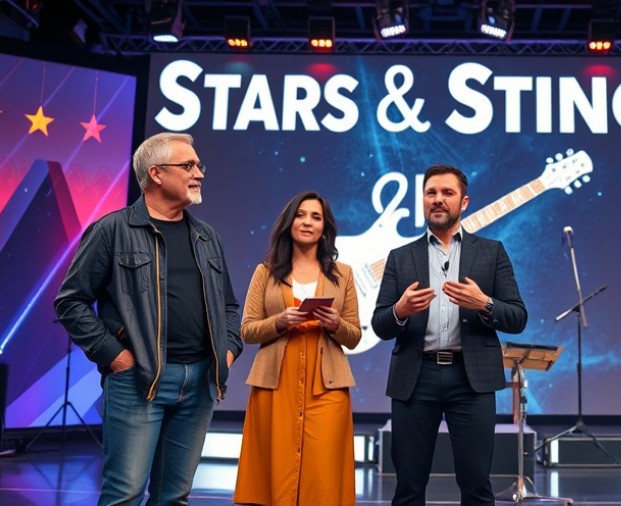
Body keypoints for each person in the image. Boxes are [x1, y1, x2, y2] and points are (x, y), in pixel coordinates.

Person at [53, 132, 243, 505]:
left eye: (198, 165)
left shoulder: (207, 237)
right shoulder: (113, 230)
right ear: (156, 173)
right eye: (188, 165)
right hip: (138, 380)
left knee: (174, 497)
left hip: (200, 380)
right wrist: (115, 356)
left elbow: (229, 307)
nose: (199, 173)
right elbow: (71, 302)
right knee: (124, 494)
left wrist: (229, 350)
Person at [372, 164, 528, 506]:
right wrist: (400, 310)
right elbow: (380, 325)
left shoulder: (492, 252)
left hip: (471, 380)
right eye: (431, 193)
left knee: (476, 485)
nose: (438, 200)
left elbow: (517, 317)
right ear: (423, 201)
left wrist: (484, 303)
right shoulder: (400, 257)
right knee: (408, 487)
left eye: (447, 193)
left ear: (465, 202)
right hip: (416, 378)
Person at [234, 191, 361, 506]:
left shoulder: (343, 273)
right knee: (275, 475)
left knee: (324, 477)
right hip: (276, 385)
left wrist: (335, 324)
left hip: (327, 386)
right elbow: (247, 330)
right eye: (301, 215)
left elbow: (354, 335)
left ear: (325, 227)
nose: (307, 222)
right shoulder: (266, 272)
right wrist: (280, 321)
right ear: (289, 222)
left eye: (316, 217)